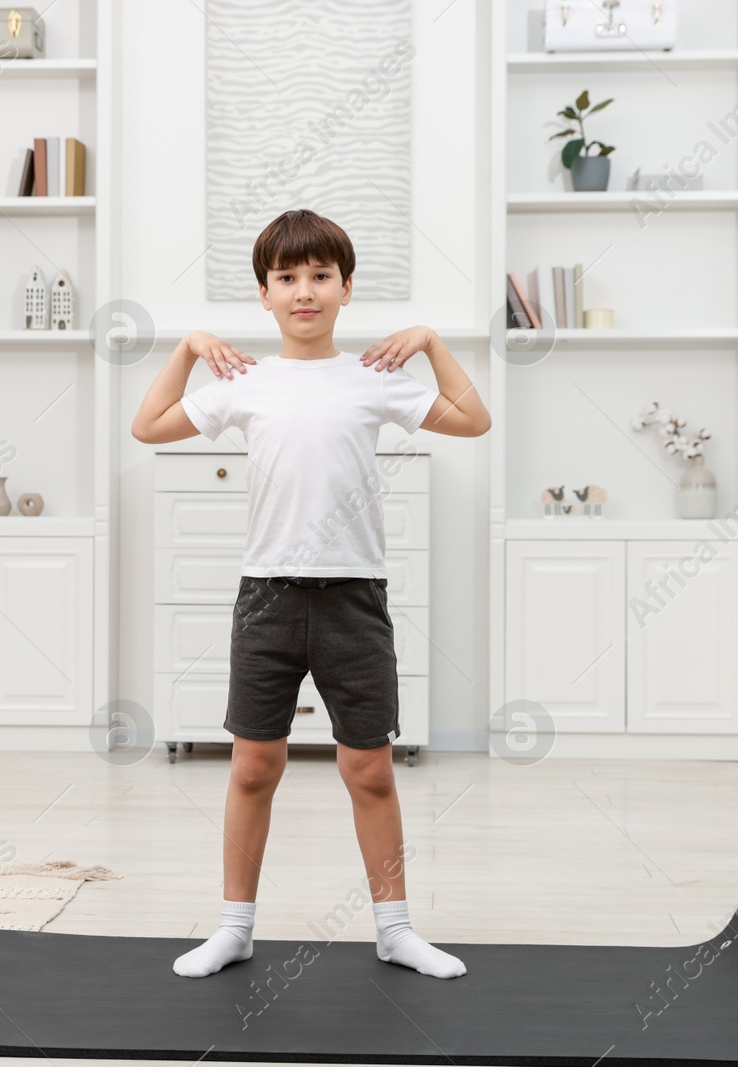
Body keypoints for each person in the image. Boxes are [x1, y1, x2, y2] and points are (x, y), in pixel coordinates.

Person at [131, 208, 492, 979]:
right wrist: (190, 347)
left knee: (370, 767)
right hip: (266, 597)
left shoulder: (375, 378)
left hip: (354, 600)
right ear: (264, 293)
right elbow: (148, 425)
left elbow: (473, 419)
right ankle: (234, 927)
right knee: (254, 764)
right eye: (287, 278)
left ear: (346, 288)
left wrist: (429, 341)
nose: (305, 291)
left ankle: (395, 928)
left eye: (320, 276)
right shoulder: (244, 381)